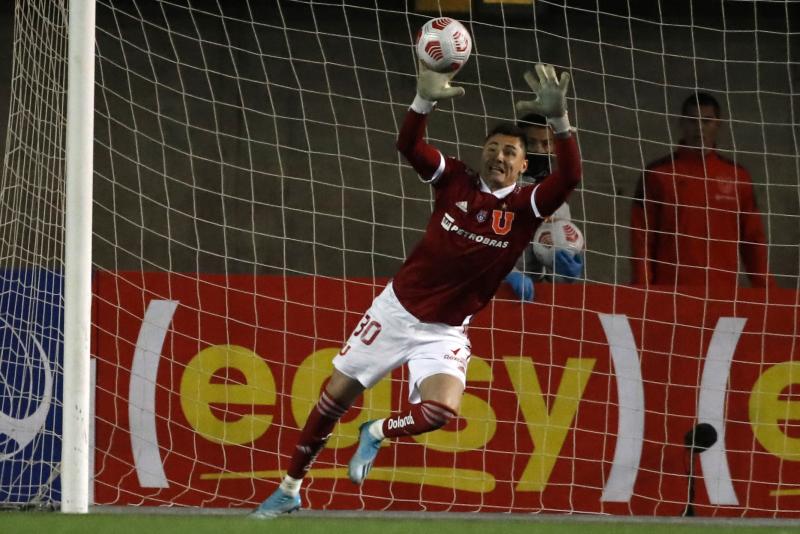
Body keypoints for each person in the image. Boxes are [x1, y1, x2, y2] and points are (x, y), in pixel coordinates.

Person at [252, 62, 581, 518]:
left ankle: (378, 431)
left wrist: (561, 122)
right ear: (481, 153)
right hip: (395, 311)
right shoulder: (456, 181)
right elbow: (408, 145)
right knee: (332, 399)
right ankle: (289, 488)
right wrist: (422, 100)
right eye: (493, 148)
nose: (499, 157)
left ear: (525, 165)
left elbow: (570, 179)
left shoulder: (528, 206)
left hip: (444, 331)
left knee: (441, 410)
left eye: (510, 152)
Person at [630, 92, 774, 290]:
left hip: (724, 293)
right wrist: (642, 287)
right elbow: (642, 236)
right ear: (681, 123)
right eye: (692, 120)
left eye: (706, 121)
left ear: (718, 124)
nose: (699, 128)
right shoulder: (658, 174)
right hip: (670, 293)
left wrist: (768, 291)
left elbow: (753, 240)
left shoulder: (738, 176)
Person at [504, 113, 584, 301]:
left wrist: (567, 276)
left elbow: (551, 262)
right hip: (489, 288)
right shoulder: (496, 188)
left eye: (546, 144)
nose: (539, 150)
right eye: (532, 143)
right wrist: (509, 274)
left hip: (529, 297)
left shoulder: (556, 199)